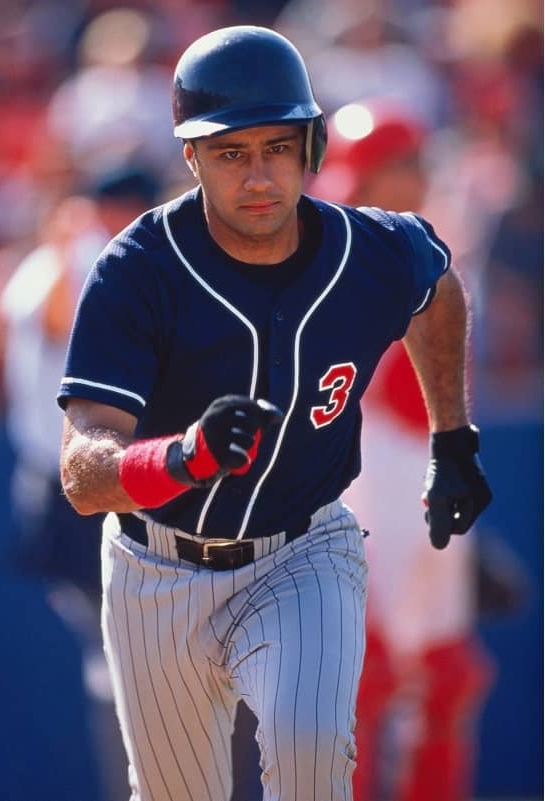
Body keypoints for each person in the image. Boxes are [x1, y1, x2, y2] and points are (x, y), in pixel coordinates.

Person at [57, 26, 492, 801]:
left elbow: (436, 286)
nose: (259, 176)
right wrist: (181, 457)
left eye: (277, 147)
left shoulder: (372, 250)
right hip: (157, 565)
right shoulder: (138, 270)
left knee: (311, 748)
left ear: (311, 147)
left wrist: (452, 436)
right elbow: (83, 474)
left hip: (304, 550)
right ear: (191, 158)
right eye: (231, 153)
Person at [309, 99, 495, 801]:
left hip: (424, 472)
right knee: (364, 672)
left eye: (418, 162)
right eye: (400, 165)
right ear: (365, 173)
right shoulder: (330, 252)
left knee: (447, 677)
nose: (417, 176)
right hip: (362, 478)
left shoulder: (428, 245)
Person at [1, 167, 160, 801]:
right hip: (78, 490)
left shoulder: (60, 261)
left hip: (84, 481)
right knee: (123, 666)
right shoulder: (72, 262)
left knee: (134, 663)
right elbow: (59, 320)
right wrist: (76, 244)